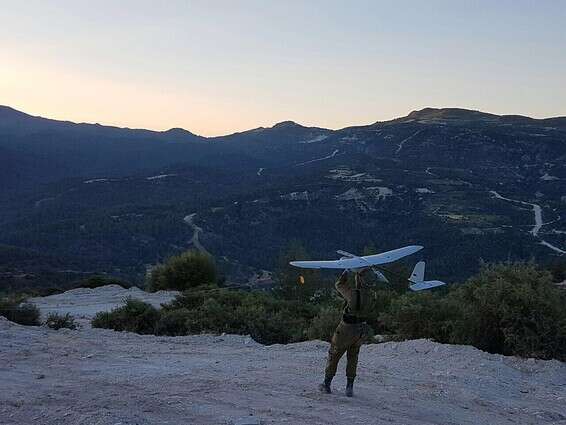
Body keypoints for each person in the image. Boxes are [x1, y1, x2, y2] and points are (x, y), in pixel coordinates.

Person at [319, 269, 373, 397]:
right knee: (353, 357)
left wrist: (345, 271)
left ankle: (326, 384)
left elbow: (339, 285)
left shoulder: (352, 295)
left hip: (346, 329)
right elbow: (361, 287)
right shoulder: (371, 295)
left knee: (334, 354)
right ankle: (349, 387)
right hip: (360, 330)